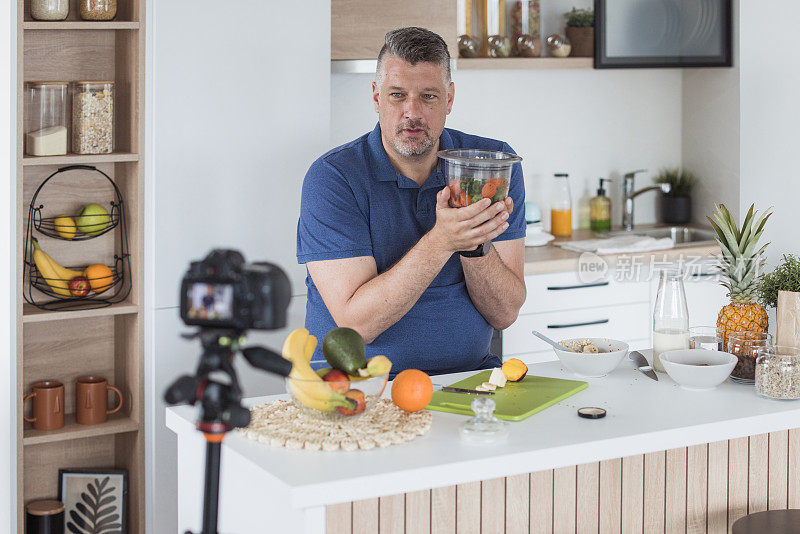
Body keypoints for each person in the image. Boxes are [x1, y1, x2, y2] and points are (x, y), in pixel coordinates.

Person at [297, 27, 526, 375]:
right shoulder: (333, 177)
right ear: (376, 98)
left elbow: (505, 313)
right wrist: (443, 240)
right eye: (397, 95)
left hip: (468, 380)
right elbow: (357, 327)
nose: (412, 112)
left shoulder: (490, 166)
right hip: (354, 390)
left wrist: (474, 243)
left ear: (449, 99)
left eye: (429, 96)